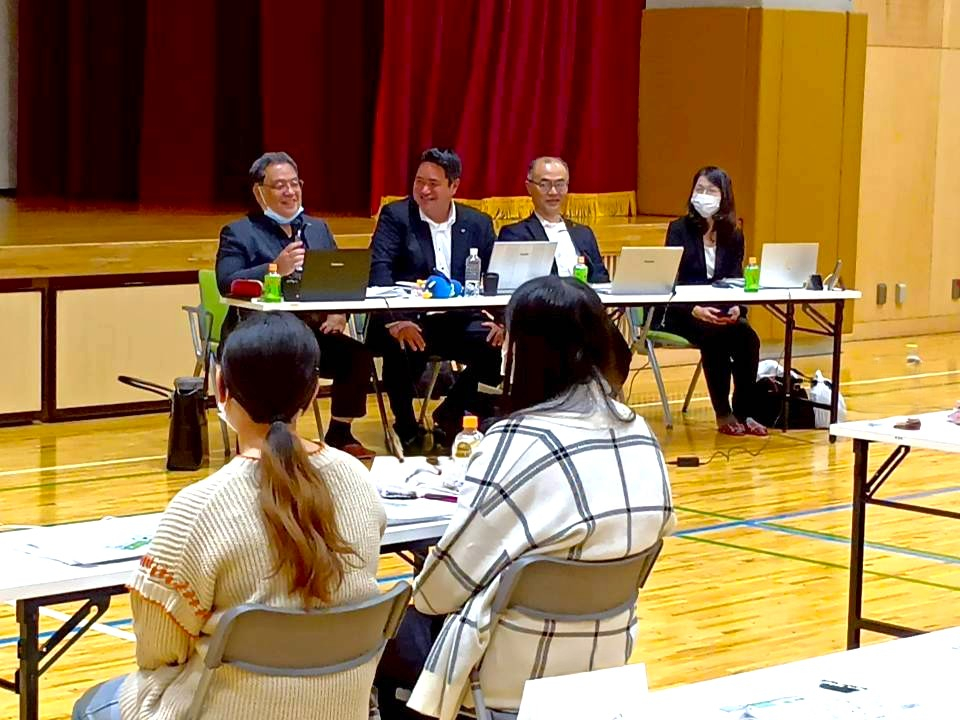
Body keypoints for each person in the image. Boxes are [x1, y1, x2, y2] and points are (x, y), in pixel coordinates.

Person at [374, 275, 676, 720]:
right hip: (605, 662)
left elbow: (438, 595)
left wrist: (430, 565)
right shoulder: (641, 433)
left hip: (508, 674)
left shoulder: (517, 441)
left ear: (527, 351)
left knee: (384, 634)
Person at [72, 312, 386, 720]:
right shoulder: (358, 480)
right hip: (343, 709)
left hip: (220, 709)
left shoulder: (199, 508)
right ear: (312, 393)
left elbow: (156, 650)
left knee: (91, 705)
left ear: (221, 388)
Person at [216, 151, 375, 459]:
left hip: (308, 334)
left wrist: (339, 312)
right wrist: (274, 268)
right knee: (276, 364)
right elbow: (227, 281)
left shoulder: (317, 228)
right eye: (280, 186)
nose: (290, 192)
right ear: (259, 192)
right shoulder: (239, 232)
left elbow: (338, 278)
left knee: (356, 356)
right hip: (258, 337)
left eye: (294, 184)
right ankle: (259, 439)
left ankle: (340, 433)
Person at [367, 148, 503, 453]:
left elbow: (497, 275)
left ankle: (452, 412)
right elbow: (379, 271)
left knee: (491, 345)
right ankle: (405, 426)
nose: (424, 190)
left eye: (433, 183)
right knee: (403, 349)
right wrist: (397, 321)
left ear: (454, 186)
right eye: (419, 182)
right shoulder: (396, 217)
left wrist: (501, 321)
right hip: (407, 319)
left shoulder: (477, 223)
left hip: (457, 318)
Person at [661, 166, 766, 436]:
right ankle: (723, 413)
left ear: (724, 197)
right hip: (684, 313)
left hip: (721, 310)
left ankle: (744, 411)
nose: (703, 195)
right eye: (699, 189)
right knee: (715, 338)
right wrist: (694, 309)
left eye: (711, 191)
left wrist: (737, 307)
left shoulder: (734, 234)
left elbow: (737, 278)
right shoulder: (678, 230)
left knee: (748, 338)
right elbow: (668, 281)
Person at [497, 156, 609, 283]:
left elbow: (601, 279)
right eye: (544, 185)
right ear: (529, 187)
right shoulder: (515, 235)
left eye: (560, 184)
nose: (553, 192)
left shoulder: (584, 233)